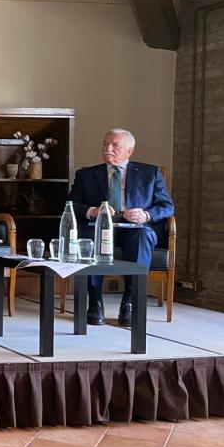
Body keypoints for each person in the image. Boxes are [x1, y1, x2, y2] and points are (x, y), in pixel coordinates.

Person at [68, 128, 173, 327]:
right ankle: (95, 300)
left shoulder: (150, 173)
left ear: (129, 151)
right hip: (100, 227)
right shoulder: (86, 175)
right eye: (105, 143)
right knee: (89, 236)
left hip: (135, 228)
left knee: (143, 237)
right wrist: (92, 211)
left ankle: (130, 302)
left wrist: (146, 215)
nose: (108, 148)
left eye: (115, 145)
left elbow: (167, 206)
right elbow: (71, 204)